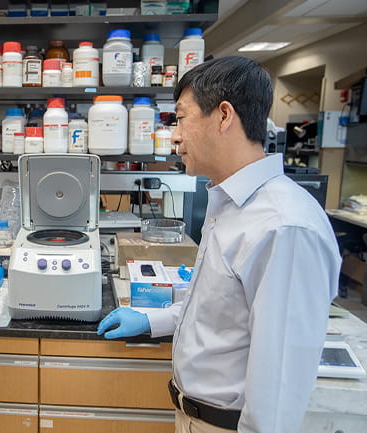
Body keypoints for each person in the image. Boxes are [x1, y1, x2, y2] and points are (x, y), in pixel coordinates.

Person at [97, 56, 341, 433]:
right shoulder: (229, 202)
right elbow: (219, 309)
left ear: (224, 115)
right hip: (192, 417)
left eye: (180, 118)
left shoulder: (284, 226)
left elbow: (276, 396)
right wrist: (152, 319)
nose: (174, 135)